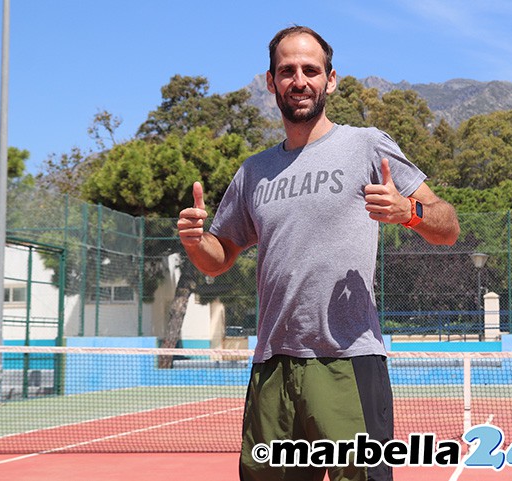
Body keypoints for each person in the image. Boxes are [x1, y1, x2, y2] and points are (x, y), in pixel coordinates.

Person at [178, 25, 459, 481]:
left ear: (330, 79)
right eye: (287, 71)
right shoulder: (253, 173)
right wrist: (196, 241)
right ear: (271, 82)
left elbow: (447, 226)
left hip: (347, 361)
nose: (299, 80)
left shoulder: (366, 145)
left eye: (311, 70)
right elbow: (219, 256)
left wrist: (409, 210)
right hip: (272, 366)